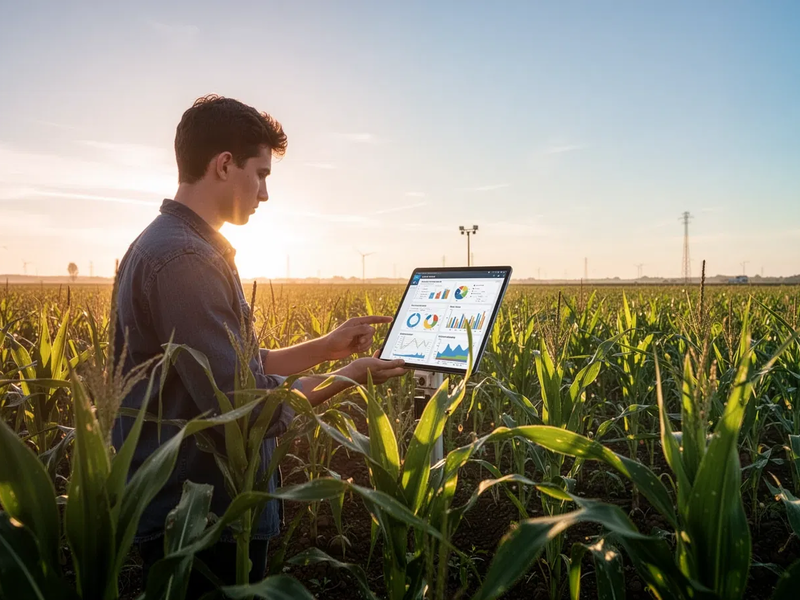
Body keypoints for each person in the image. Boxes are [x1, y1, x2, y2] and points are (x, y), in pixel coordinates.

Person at [111, 94, 406, 594]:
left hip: (197, 510)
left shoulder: (171, 245)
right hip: (202, 517)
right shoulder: (186, 260)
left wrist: (326, 346)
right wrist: (349, 377)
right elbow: (243, 406)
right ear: (225, 165)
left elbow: (236, 368)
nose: (265, 193)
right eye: (261, 173)